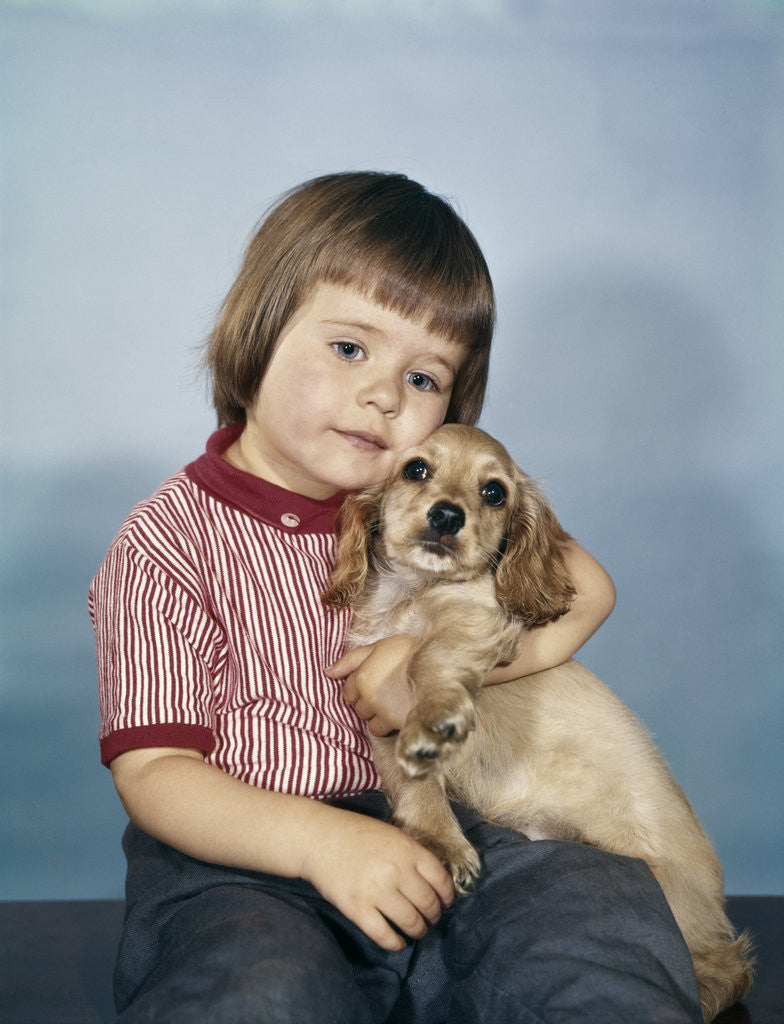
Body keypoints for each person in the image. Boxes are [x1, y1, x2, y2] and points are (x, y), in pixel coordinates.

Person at [90, 171, 703, 1023]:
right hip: (251, 856)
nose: (384, 395)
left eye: (425, 379)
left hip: (453, 823)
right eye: (350, 349)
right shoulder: (168, 541)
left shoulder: (421, 492)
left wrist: (447, 677)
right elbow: (156, 773)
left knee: (593, 919)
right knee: (252, 984)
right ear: (259, 335)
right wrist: (316, 841)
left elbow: (588, 591)